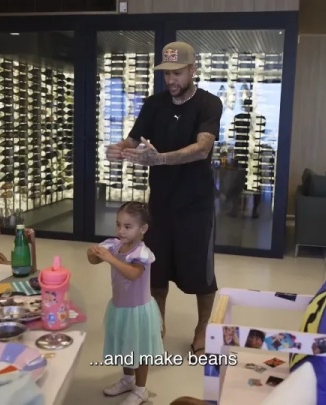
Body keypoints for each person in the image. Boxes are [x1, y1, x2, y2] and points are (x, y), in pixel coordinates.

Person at [106, 41, 223, 356]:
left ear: (192, 70)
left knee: (200, 274)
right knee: (156, 271)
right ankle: (157, 325)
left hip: (196, 205)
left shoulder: (209, 103)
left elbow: (202, 148)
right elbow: (133, 139)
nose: (171, 80)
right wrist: (119, 149)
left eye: (177, 73)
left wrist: (160, 159)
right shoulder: (154, 104)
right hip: (160, 203)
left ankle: (202, 328)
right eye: (166, 73)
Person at [87, 202, 164, 405]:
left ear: (143, 229)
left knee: (140, 349)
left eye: (128, 226)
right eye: (118, 224)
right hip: (120, 307)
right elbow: (93, 259)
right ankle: (128, 380)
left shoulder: (141, 252)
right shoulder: (114, 245)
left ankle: (141, 389)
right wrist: (93, 253)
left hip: (138, 311)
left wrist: (110, 259)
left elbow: (133, 274)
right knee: (125, 345)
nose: (121, 230)